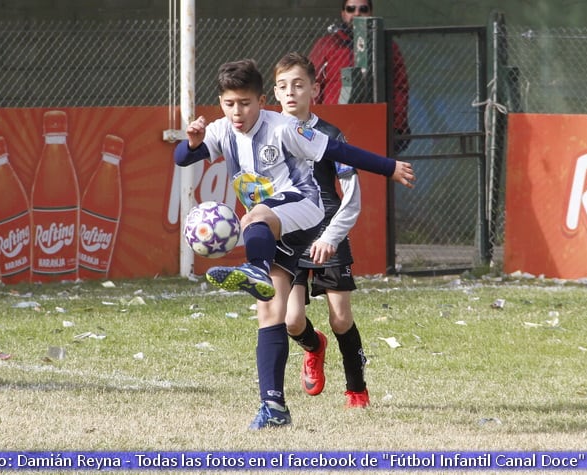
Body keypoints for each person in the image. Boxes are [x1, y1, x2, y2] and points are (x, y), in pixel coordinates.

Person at [173, 59, 414, 430]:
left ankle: (256, 270)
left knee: (255, 217)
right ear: (221, 102)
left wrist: (388, 166)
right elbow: (182, 157)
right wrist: (190, 144)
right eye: (229, 103)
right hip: (271, 228)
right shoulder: (222, 130)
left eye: (246, 103)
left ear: (261, 100)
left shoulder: (285, 127)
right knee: (272, 313)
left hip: (306, 210)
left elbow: (341, 153)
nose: (238, 112)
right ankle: (274, 407)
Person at [273, 52, 370, 408]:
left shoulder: (329, 135)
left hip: (328, 230)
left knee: (341, 317)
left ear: (314, 89)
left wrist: (331, 236)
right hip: (288, 235)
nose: (291, 92)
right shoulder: (266, 134)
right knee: (291, 319)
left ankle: (356, 389)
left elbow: (352, 195)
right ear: (274, 91)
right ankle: (314, 347)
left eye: (299, 85)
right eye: (283, 86)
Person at [309, 0, 410, 146]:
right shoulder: (328, 45)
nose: (357, 13)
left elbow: (399, 87)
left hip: (375, 123)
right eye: (351, 9)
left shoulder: (386, 46)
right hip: (334, 123)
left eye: (363, 9)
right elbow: (312, 83)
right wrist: (315, 121)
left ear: (371, 12)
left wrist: (397, 126)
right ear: (343, 14)